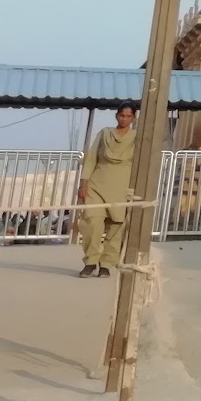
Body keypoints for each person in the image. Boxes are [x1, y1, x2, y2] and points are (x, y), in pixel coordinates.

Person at [77, 103, 136, 279]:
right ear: (116, 116)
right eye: (121, 115)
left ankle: (106, 264)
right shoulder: (105, 133)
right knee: (92, 223)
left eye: (128, 116)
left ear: (133, 118)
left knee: (116, 227)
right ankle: (90, 262)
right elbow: (91, 158)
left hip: (122, 184)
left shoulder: (137, 137)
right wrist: (83, 183)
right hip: (98, 182)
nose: (124, 119)